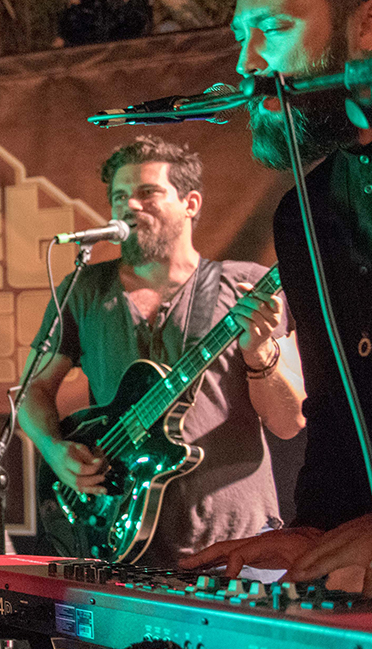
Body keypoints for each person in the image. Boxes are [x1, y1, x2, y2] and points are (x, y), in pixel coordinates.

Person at [18, 136, 307, 566]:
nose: (129, 206)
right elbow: (32, 390)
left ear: (191, 203)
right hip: (123, 542)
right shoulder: (85, 290)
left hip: (235, 540)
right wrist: (55, 450)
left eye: (147, 192)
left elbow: (288, 422)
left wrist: (260, 350)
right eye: (119, 196)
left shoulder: (246, 285)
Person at [181, 0, 372, 592]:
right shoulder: (303, 213)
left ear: (366, 25)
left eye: (272, 27)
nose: (247, 61)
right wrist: (315, 527)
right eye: (241, 35)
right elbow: (337, 415)